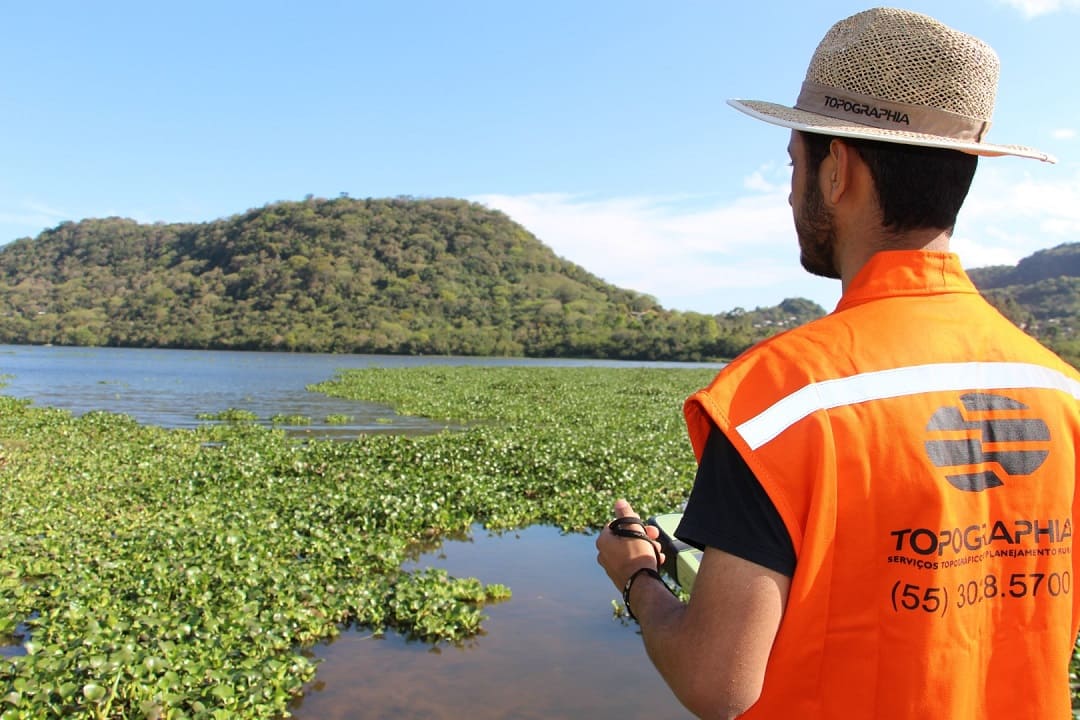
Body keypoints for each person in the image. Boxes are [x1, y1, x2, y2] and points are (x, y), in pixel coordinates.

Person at [596, 7, 1080, 719]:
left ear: (837, 170)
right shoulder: (1061, 390)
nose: (790, 190)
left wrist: (638, 578)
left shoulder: (781, 395)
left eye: (793, 162)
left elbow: (717, 682)